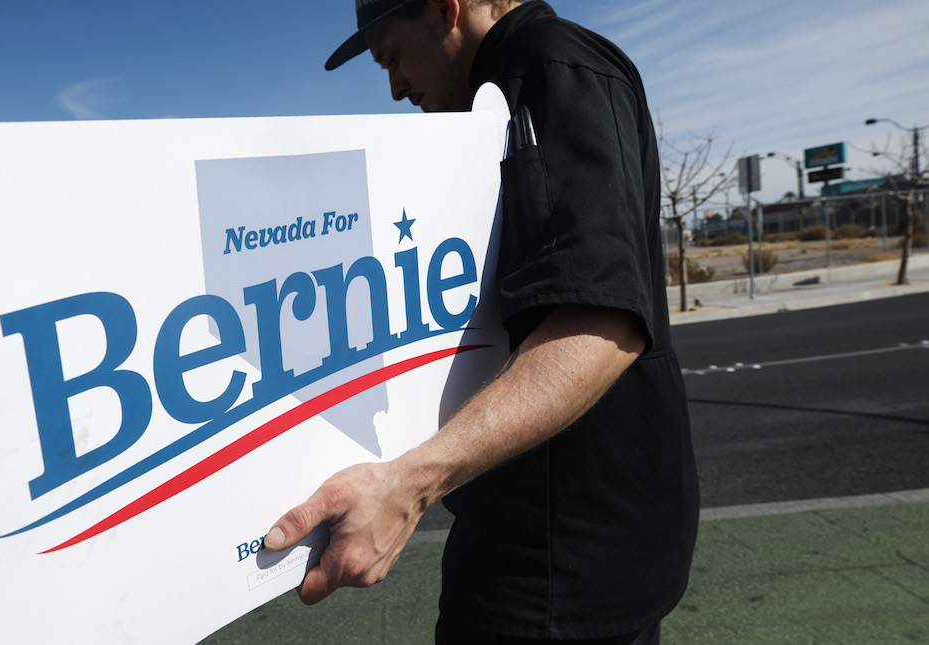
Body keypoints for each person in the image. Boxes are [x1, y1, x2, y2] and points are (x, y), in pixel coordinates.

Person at [264, 1, 699, 642]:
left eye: (391, 56)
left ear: (447, 9)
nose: (394, 87)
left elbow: (599, 324)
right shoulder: (503, 93)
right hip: (547, 543)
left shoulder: (550, 64)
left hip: (562, 560)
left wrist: (406, 485)